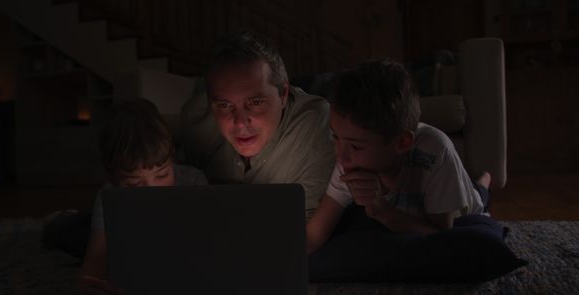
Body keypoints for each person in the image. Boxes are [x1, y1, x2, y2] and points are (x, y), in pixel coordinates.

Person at [306, 59, 492, 255]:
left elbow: (441, 237)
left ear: (402, 143)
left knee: (478, 195)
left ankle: (484, 182)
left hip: (463, 206)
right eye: (336, 137)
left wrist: (383, 213)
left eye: (356, 146)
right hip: (417, 206)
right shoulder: (349, 159)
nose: (341, 156)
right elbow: (314, 236)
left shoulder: (434, 151)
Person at [179, 30, 335, 218]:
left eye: (255, 103)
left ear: (283, 94)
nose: (240, 123)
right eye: (225, 105)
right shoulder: (196, 119)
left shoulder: (314, 125)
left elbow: (304, 230)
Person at [77, 98, 207, 295]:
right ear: (114, 179)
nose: (151, 190)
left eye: (162, 175)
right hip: (104, 234)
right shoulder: (109, 196)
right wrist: (88, 289)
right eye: (135, 184)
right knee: (69, 234)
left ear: (171, 160)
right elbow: (96, 258)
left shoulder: (193, 182)